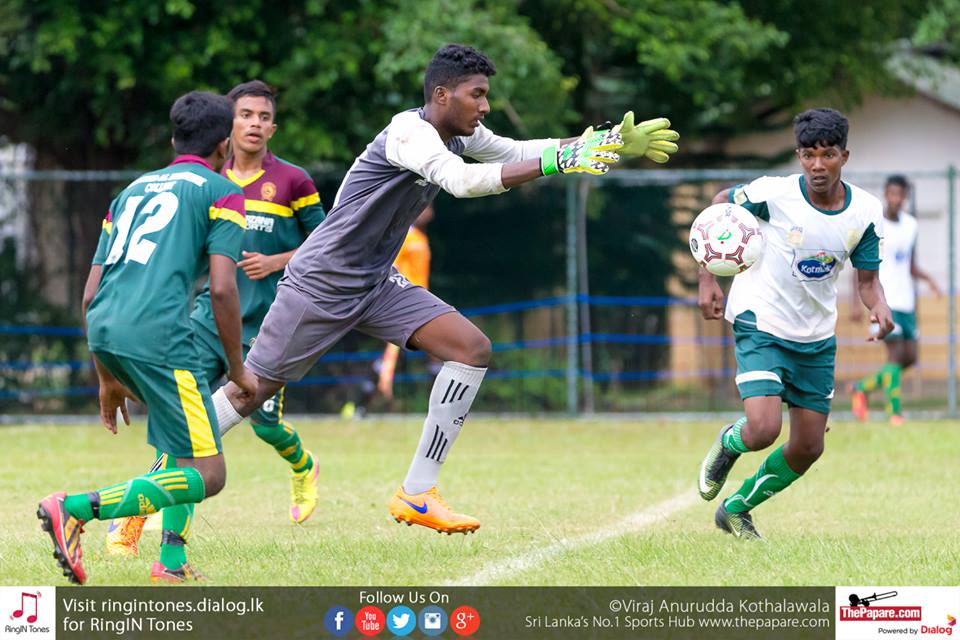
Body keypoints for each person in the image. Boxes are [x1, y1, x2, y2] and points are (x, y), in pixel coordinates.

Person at [211, 43, 679, 534]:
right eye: (476, 95)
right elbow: (461, 183)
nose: (485, 106)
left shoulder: (458, 134)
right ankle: (157, 483)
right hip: (322, 282)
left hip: (375, 282)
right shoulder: (409, 133)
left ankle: (416, 493)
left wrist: (602, 142)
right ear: (441, 94)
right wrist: (564, 160)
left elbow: (517, 151)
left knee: (471, 348)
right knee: (249, 394)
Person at [104, 81, 328, 560]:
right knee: (187, 427)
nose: (255, 123)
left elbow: (326, 245)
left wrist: (276, 261)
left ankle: (303, 465)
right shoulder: (207, 180)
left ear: (273, 125)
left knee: (266, 427)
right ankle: (143, 525)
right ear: (228, 128)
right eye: (245, 114)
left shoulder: (293, 181)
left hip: (272, 324)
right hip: (208, 319)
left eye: (264, 116)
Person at [39, 91, 256, 584]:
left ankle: (171, 565)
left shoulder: (130, 191)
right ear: (224, 146)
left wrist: (106, 377)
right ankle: (74, 508)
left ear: (173, 139)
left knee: (183, 452)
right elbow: (223, 288)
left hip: (109, 329)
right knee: (209, 474)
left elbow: (91, 293)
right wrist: (237, 368)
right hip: (161, 338)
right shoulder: (222, 192)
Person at [696, 108, 894, 540]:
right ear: (798, 156)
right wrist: (708, 277)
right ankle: (729, 444)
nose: (817, 166)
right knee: (764, 429)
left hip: (817, 337)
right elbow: (718, 207)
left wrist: (880, 307)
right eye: (807, 155)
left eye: (827, 155)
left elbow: (868, 282)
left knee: (809, 446)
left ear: (845, 155)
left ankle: (736, 508)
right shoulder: (773, 193)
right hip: (760, 320)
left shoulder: (865, 211)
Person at [850, 175, 941, 425]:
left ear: (905, 198)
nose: (895, 199)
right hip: (883, 300)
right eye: (891, 194)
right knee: (895, 354)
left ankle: (861, 388)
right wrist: (857, 303)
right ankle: (895, 412)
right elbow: (859, 266)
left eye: (900, 195)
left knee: (910, 357)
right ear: (885, 194)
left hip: (907, 301)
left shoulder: (911, 225)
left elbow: (909, 263)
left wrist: (929, 279)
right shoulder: (876, 223)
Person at [342, 204, 436, 418]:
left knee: (433, 355)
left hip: (423, 304)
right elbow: (391, 266)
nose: (429, 213)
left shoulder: (420, 237)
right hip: (405, 306)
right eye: (425, 208)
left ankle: (441, 410)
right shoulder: (402, 236)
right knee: (392, 361)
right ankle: (358, 406)